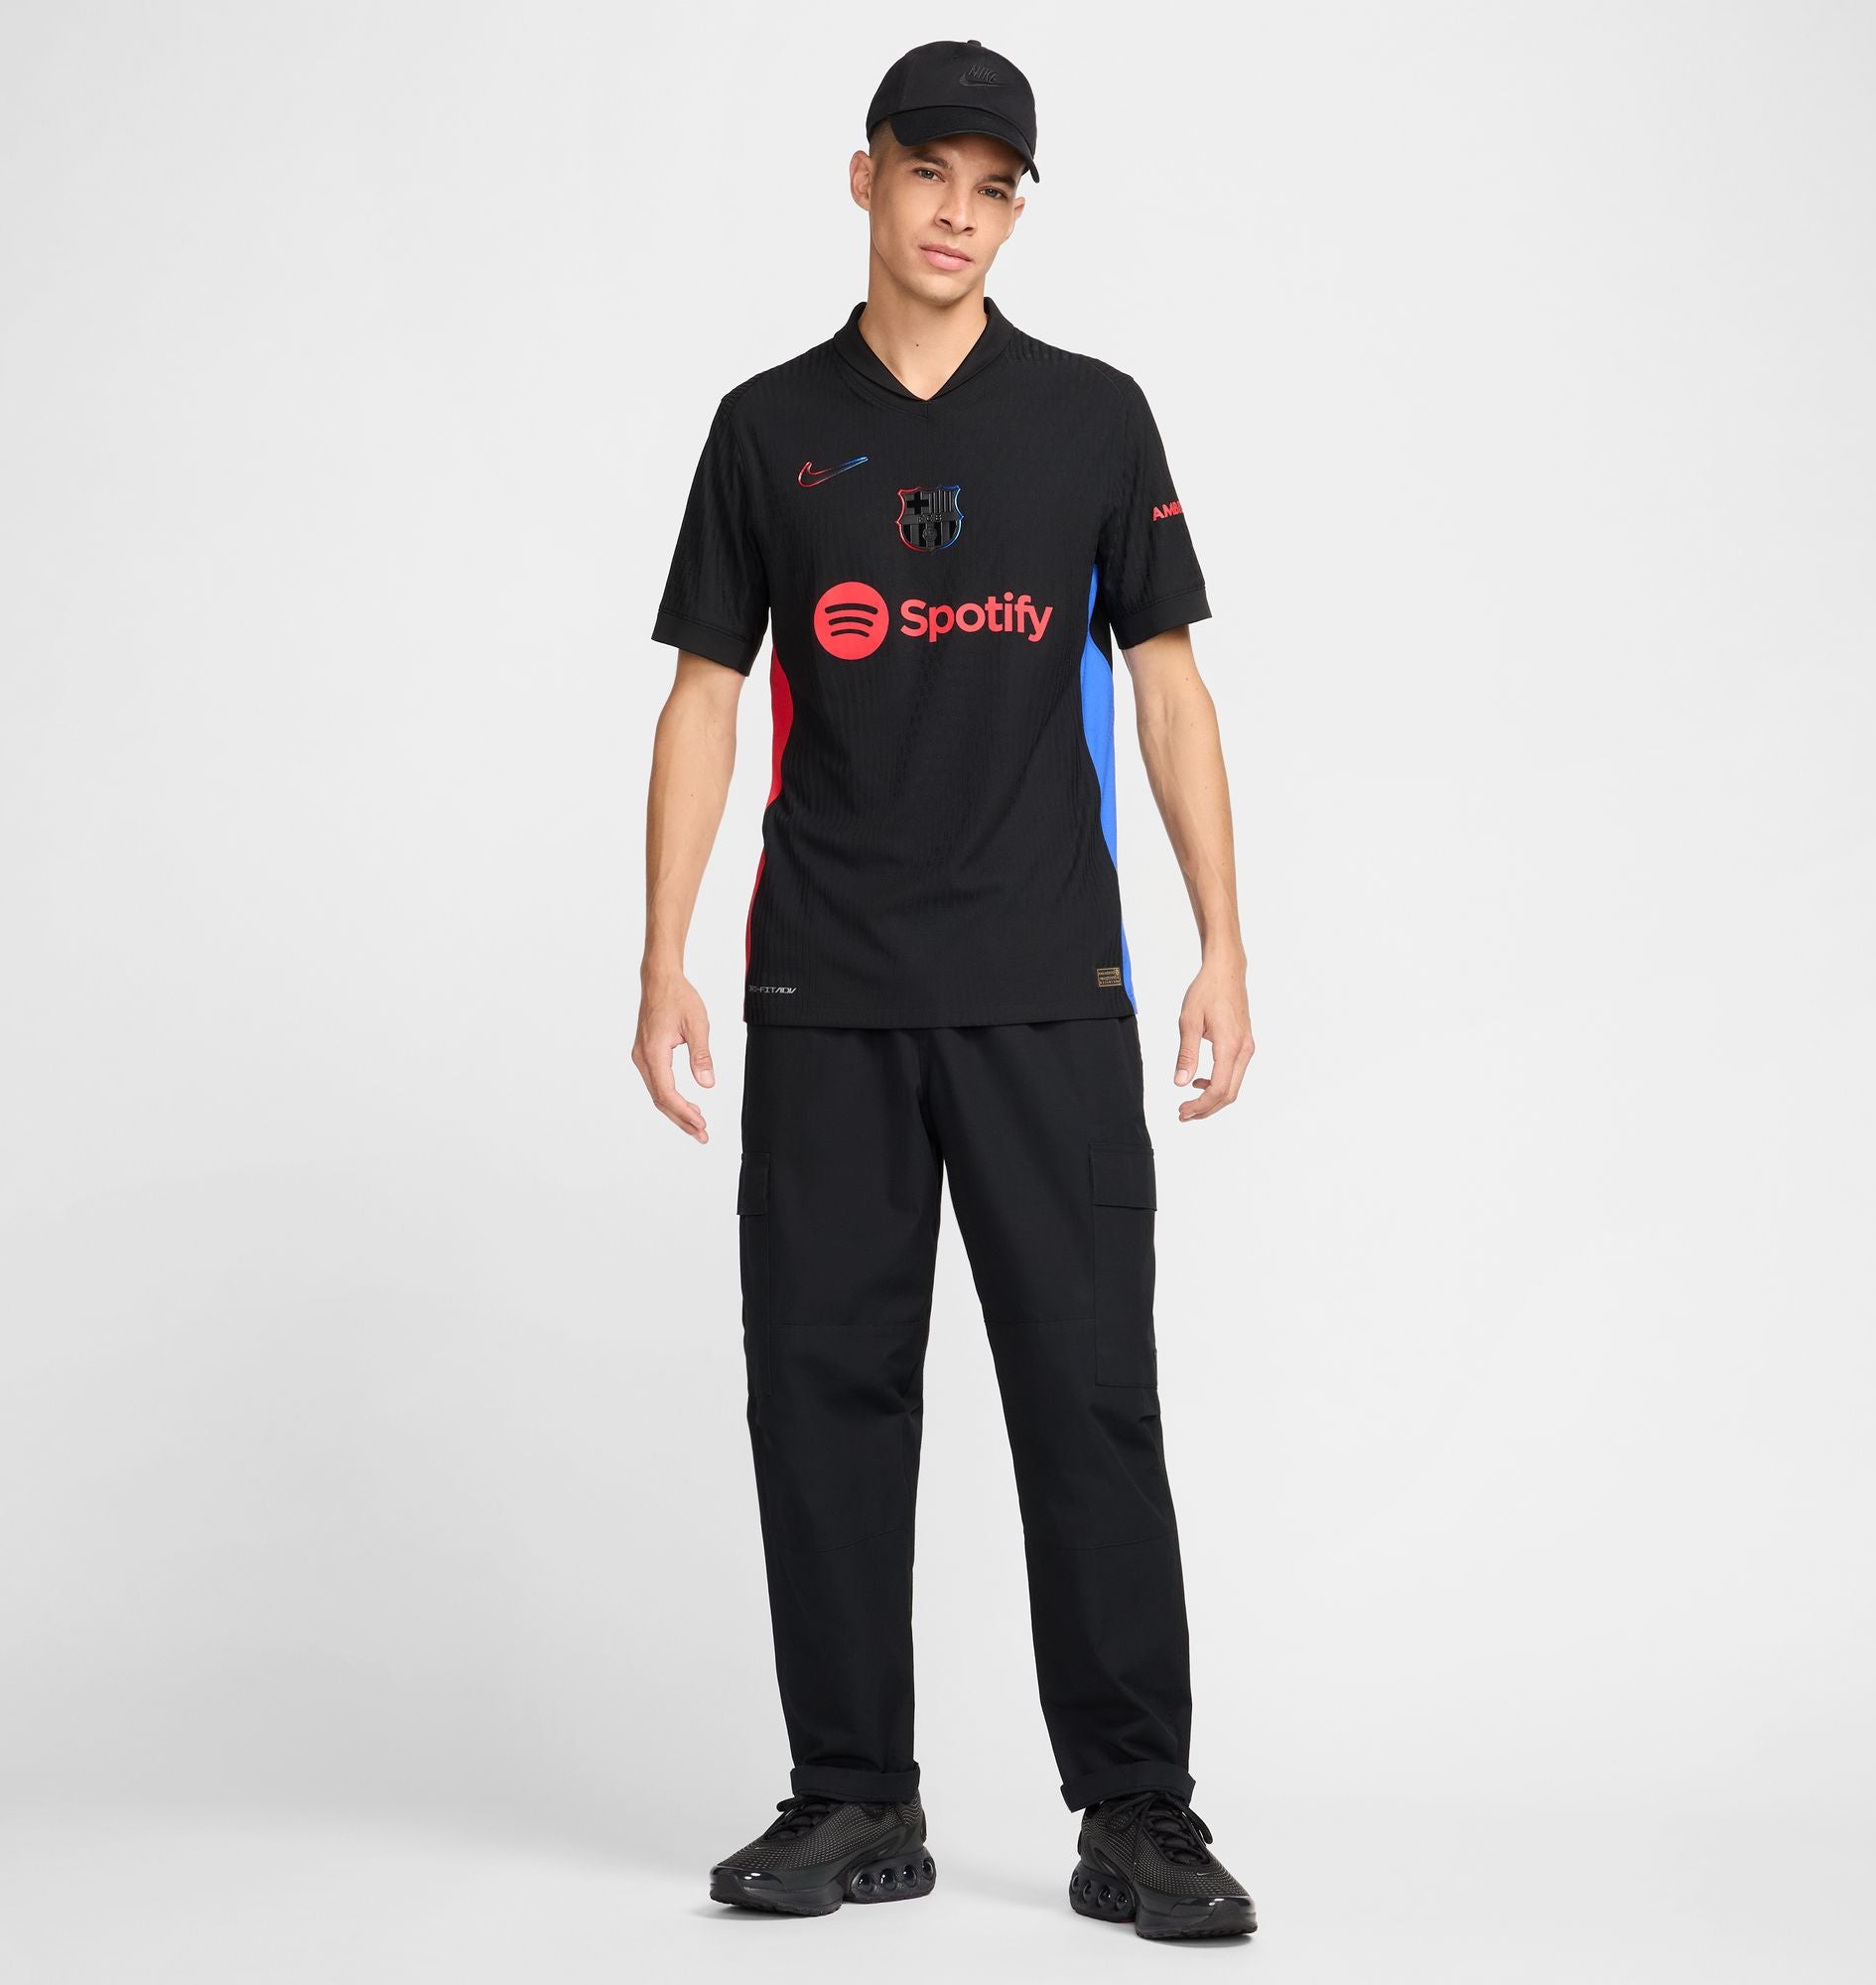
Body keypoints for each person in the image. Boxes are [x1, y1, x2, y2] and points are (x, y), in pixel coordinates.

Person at [637, 37, 1258, 1942]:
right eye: (929, 174)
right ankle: (852, 1796)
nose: (958, 215)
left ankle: (1138, 1813)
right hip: (825, 990)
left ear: (1016, 211)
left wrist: (1225, 942)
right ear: (866, 177)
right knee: (823, 1396)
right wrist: (661, 953)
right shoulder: (767, 429)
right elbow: (707, 698)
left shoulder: (1092, 420)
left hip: (1048, 989)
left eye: (994, 188)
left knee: (1088, 1398)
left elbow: (1167, 690)